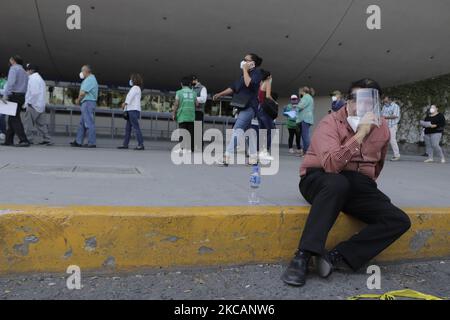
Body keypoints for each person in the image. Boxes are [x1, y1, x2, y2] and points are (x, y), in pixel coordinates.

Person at [281, 78, 411, 287]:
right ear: (347, 100)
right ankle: (303, 256)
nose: (362, 106)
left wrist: (366, 188)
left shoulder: (383, 128)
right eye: (356, 99)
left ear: (376, 104)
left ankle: (337, 257)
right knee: (337, 183)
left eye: (369, 102)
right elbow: (332, 165)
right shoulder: (330, 122)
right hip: (319, 177)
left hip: (356, 183)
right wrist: (361, 133)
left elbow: (378, 164)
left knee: (397, 219)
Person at [213, 53, 264, 165]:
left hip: (250, 106)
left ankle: (226, 156)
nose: (243, 62)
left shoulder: (257, 73)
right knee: (248, 132)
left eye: (246, 60)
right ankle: (254, 157)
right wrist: (220, 94)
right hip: (242, 106)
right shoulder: (242, 76)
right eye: (243, 60)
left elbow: (249, 84)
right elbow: (233, 87)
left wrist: (245, 71)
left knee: (237, 129)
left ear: (253, 63)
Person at [1, 55, 30, 147]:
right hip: (21, 96)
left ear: (13, 61)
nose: (9, 62)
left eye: (10, 60)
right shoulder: (24, 71)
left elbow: (10, 83)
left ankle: (24, 140)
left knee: (14, 118)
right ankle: (8, 140)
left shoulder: (14, 69)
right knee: (11, 118)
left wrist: (5, 95)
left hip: (14, 95)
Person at [23, 64, 52, 145]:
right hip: (40, 105)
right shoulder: (40, 79)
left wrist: (28, 102)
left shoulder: (33, 79)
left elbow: (34, 93)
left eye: (27, 70)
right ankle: (47, 139)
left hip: (33, 105)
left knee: (28, 124)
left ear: (31, 70)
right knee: (41, 124)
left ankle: (28, 139)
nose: (26, 71)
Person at [70, 65, 98, 148]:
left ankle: (92, 142)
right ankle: (78, 141)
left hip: (88, 103)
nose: (81, 73)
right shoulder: (89, 79)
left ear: (86, 71)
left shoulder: (90, 79)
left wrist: (78, 100)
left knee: (89, 123)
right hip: (87, 103)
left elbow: (82, 93)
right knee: (82, 123)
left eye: (82, 71)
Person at [117, 74, 145, 150]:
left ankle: (140, 144)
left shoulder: (135, 88)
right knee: (128, 128)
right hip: (132, 110)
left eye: (131, 79)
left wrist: (124, 103)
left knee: (135, 128)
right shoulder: (137, 88)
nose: (130, 81)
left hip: (133, 110)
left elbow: (130, 97)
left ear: (134, 80)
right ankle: (125, 144)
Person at [172, 76, 198, 154]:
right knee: (190, 132)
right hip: (191, 115)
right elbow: (197, 104)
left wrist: (174, 113)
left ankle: (182, 148)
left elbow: (176, 104)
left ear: (181, 84)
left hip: (182, 115)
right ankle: (189, 149)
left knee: (183, 132)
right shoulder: (194, 93)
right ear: (189, 84)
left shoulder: (179, 92)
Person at [257, 69, 276, 161]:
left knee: (262, 130)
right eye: (271, 76)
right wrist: (275, 102)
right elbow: (268, 96)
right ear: (268, 77)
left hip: (259, 108)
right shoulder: (268, 82)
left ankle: (260, 151)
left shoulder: (261, 83)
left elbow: (259, 96)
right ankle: (265, 151)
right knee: (272, 130)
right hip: (265, 109)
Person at [191, 75, 207, 152]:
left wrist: (193, 98)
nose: (191, 82)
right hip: (190, 111)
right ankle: (192, 147)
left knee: (197, 129)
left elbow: (203, 99)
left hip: (198, 111)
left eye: (192, 81)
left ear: (196, 80)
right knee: (191, 129)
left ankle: (199, 147)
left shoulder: (202, 88)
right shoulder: (191, 88)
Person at [382, 96, 401, 161]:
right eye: (384, 101)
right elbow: (382, 115)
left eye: (386, 101)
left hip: (392, 125)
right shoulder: (384, 106)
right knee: (383, 140)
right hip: (385, 125)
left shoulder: (395, 106)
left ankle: (397, 155)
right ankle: (381, 155)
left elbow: (395, 116)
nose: (385, 102)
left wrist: (385, 117)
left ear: (390, 100)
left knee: (392, 140)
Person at [296, 86, 315, 153]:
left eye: (299, 91)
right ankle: (305, 152)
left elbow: (301, 106)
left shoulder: (306, 97)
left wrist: (295, 106)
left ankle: (308, 152)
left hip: (305, 119)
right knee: (304, 136)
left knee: (305, 136)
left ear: (302, 91)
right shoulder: (309, 97)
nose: (299, 93)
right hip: (307, 119)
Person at [0, 73, 7, 140]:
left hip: (2, 102)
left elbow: (5, 91)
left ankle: (3, 132)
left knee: (1, 117)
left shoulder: (4, 82)